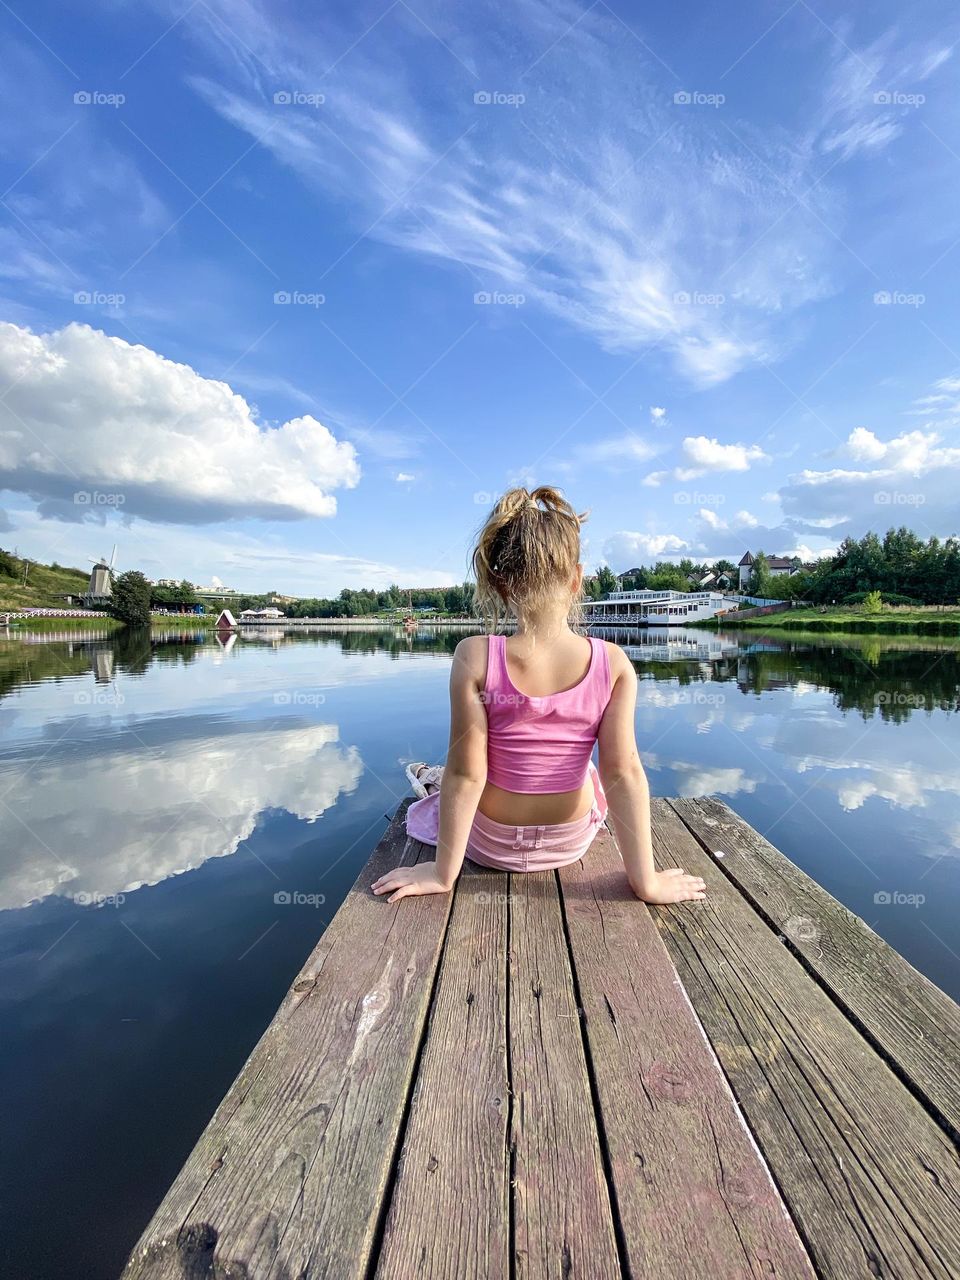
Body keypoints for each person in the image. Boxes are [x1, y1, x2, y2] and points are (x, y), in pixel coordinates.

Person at [372, 487, 706, 906]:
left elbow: (467, 775)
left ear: (501, 583)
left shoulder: (473, 656)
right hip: (568, 844)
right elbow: (623, 775)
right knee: (589, 773)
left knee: (453, 776)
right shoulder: (614, 663)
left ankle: (428, 783)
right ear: (577, 578)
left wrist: (442, 872)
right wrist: (647, 881)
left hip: (489, 845)